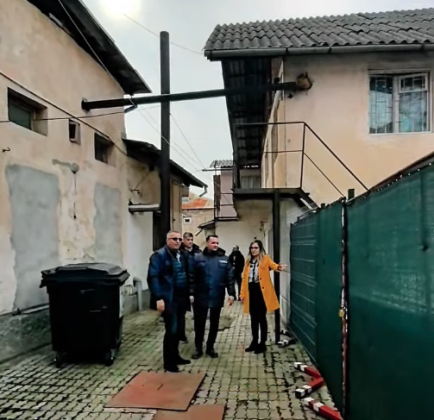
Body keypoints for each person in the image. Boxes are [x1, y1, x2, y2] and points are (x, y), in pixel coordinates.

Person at [147, 230, 193, 372]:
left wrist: (189, 293)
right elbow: (153, 277)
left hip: (181, 298)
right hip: (168, 299)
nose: (178, 241)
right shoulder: (159, 256)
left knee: (178, 329)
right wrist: (158, 298)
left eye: (179, 239)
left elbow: (186, 274)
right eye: (174, 239)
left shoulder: (182, 255)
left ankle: (176, 356)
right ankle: (169, 362)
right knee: (171, 330)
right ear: (168, 240)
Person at [190, 234, 235, 359]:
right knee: (199, 324)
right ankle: (198, 348)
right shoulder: (197, 258)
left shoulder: (224, 259)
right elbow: (192, 277)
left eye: (217, 243)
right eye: (213, 243)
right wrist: (191, 293)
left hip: (217, 295)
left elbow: (230, 278)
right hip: (200, 296)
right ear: (207, 243)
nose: (215, 245)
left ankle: (210, 347)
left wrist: (231, 294)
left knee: (214, 324)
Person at [240, 240, 286, 354]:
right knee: (253, 319)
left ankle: (262, 343)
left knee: (261, 318)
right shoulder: (248, 261)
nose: (253, 250)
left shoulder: (265, 259)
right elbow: (244, 278)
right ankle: (254, 341)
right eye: (252, 248)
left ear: (260, 249)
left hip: (261, 292)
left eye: (256, 248)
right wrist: (242, 294)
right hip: (251, 292)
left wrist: (279, 267)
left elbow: (273, 266)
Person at [178, 232, 201, 343]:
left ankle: (199, 336)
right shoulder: (179, 253)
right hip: (183, 286)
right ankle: (181, 335)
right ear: (183, 240)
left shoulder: (198, 252)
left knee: (198, 313)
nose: (190, 242)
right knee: (181, 313)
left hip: (196, 286)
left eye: (191, 239)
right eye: (188, 239)